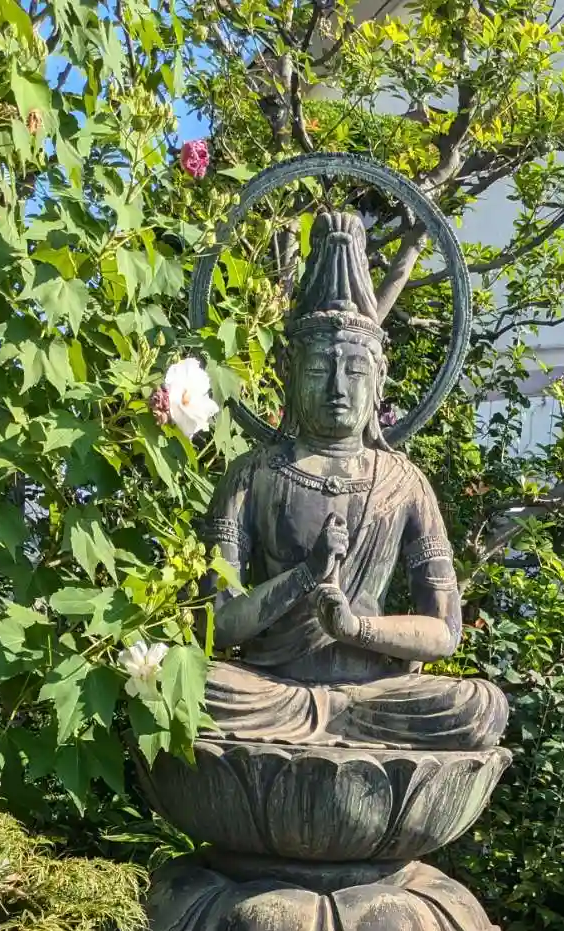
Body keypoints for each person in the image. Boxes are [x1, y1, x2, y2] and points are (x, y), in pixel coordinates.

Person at [203, 210, 507, 751]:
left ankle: (337, 725)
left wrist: (355, 629)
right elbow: (216, 624)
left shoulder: (403, 482)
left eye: (356, 371)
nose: (338, 389)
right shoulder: (251, 475)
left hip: (373, 692)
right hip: (271, 687)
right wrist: (306, 576)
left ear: (380, 378)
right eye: (319, 370)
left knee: (479, 706)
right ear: (288, 373)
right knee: (200, 687)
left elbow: (444, 631)